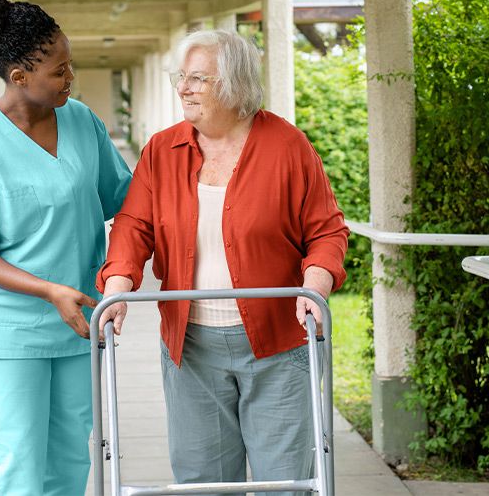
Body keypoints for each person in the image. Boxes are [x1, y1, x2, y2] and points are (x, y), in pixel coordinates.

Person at [96, 29, 349, 493]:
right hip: (191, 347)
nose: (183, 88)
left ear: (233, 84)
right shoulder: (161, 150)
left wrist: (315, 288)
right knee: (202, 483)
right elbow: (134, 228)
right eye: (180, 77)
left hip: (278, 345)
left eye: (197, 79)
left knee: (286, 481)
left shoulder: (287, 146)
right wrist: (116, 291)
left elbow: (327, 231)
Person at [0, 0, 132, 496]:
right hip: (6, 333)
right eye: (59, 69)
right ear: (19, 76)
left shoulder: (82, 121)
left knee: (68, 461)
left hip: (78, 322)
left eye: (70, 64)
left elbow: (125, 199)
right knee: (19, 468)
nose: (71, 77)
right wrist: (48, 290)